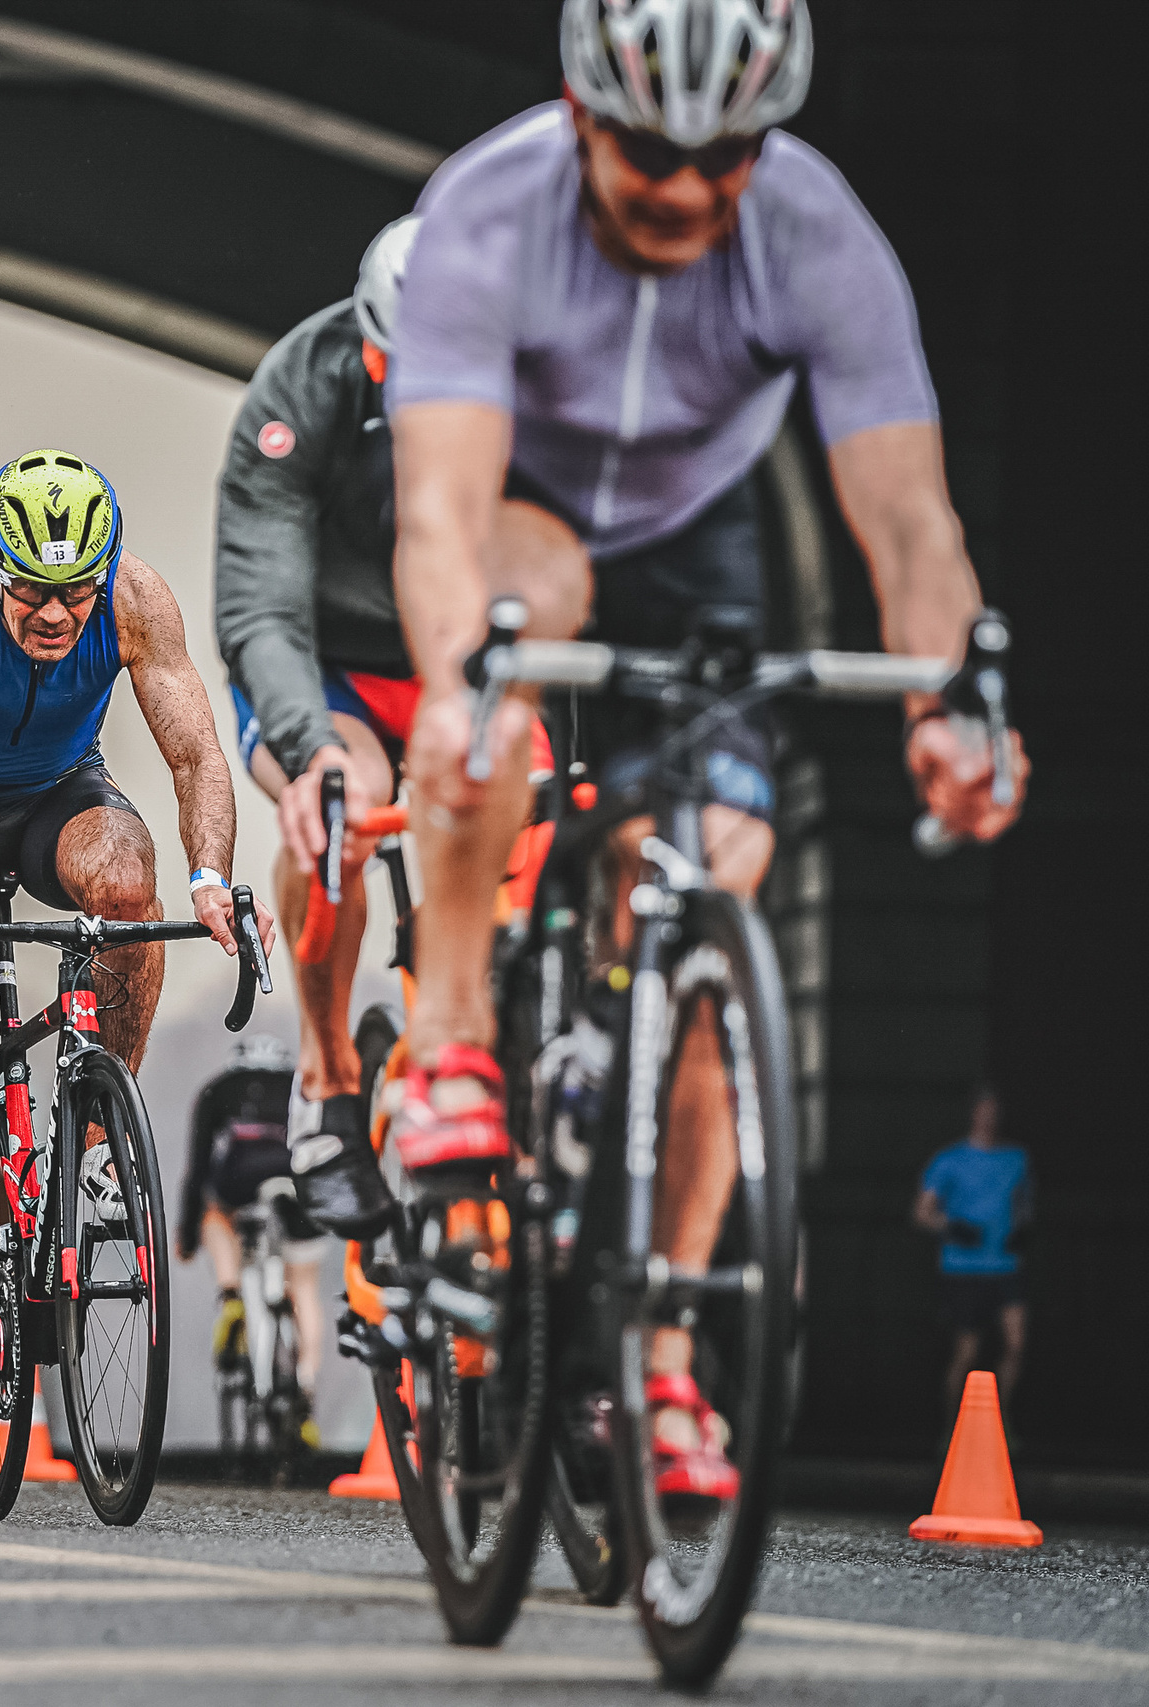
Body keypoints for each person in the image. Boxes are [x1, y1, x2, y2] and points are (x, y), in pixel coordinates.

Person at [379, 0, 1028, 1502]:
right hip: (528, 507)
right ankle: (456, 1038)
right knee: (499, 659)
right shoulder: (488, 208)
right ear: (580, 115)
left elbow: (909, 519)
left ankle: (663, 1352)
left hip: (696, 533)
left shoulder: (816, 231)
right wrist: (461, 694)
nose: (682, 187)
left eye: (721, 157)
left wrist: (949, 708)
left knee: (716, 871)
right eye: (646, 155)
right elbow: (439, 514)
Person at [0, 448, 269, 1453]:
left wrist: (212, 877)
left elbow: (196, 755)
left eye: (75, 593)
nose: (55, 615)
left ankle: (94, 1142)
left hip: (56, 801)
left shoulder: (136, 597)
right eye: (33, 593)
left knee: (131, 885)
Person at [214, 215, 426, 1239]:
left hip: (464, 658)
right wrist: (314, 753)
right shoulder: (302, 388)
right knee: (344, 807)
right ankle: (327, 1076)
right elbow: (260, 610)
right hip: (331, 665)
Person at [175, 1034, 330, 1423]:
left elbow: (197, 1170)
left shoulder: (219, 1087)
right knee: (304, 1287)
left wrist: (188, 1238)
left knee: (216, 1214)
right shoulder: (301, 1085)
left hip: (239, 1177)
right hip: (301, 1182)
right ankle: (306, 1383)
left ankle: (231, 1295)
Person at [913, 1086, 1030, 1425]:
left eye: (994, 1111)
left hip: (1005, 1266)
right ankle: (951, 1427)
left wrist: (1022, 1230)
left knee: (1016, 1345)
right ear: (973, 1114)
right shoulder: (949, 1160)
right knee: (967, 1353)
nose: (989, 1118)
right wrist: (952, 1227)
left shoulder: (1016, 1159)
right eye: (983, 1111)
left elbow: (1024, 1204)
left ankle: (1001, 1422)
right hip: (964, 1268)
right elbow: (921, 1213)